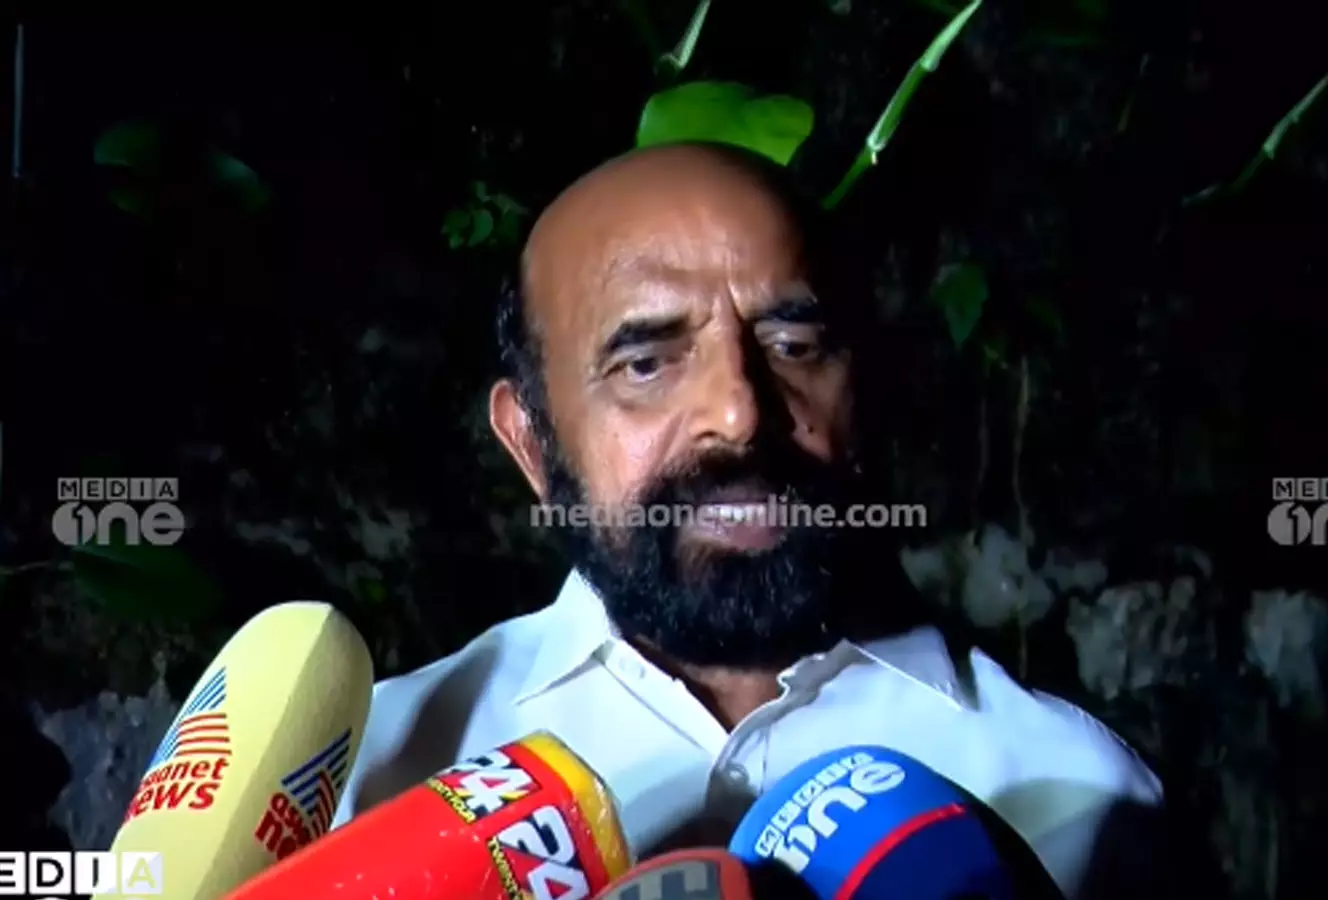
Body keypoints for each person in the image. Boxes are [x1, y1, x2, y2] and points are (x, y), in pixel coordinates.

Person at [332, 143, 1166, 899]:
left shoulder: (1083, 800)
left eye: (794, 346)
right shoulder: (371, 779)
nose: (738, 414)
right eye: (646, 364)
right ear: (531, 444)